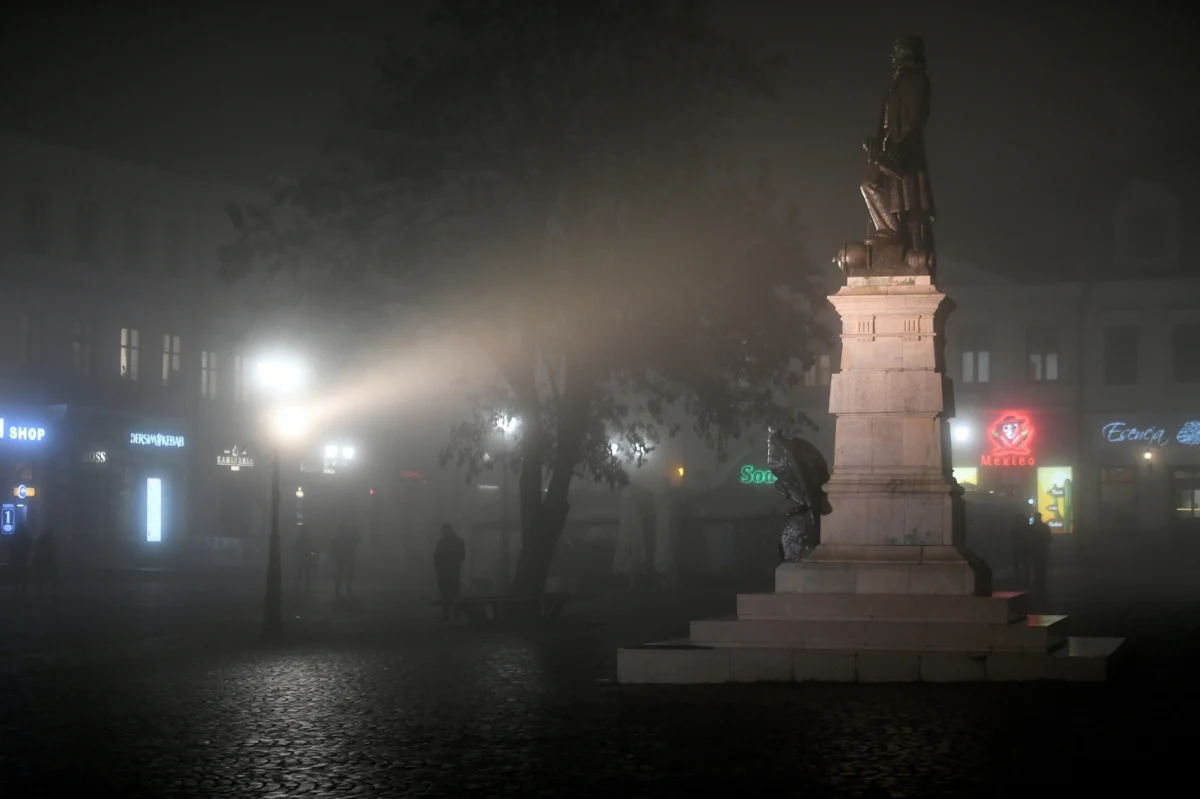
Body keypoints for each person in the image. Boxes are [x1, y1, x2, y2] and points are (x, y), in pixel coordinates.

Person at [433, 523, 466, 622]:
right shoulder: (458, 541)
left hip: (445, 572)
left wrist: (438, 564)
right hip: (453, 571)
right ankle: (456, 617)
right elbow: (462, 557)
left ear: (445, 530)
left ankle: (446, 617)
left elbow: (436, 555)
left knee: (445, 594)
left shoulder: (442, 541)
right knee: (454, 594)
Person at [331, 525, 361, 599]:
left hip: (346, 558)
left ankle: (342, 590)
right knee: (343, 574)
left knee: (346, 574)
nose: (344, 532)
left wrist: (354, 531)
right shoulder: (341, 539)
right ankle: (341, 590)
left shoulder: (342, 538)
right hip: (344, 559)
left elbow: (358, 538)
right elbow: (358, 538)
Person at [1030, 512, 1053, 596]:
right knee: (1041, 569)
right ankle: (1041, 586)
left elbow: (1028, 539)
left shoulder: (1031, 527)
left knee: (1037, 569)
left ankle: (1039, 586)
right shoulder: (1045, 526)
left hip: (1036, 551)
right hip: (1042, 550)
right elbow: (1050, 538)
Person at [7, 525, 33, 601]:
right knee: (23, 572)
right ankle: (22, 586)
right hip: (23, 556)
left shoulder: (15, 535)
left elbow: (9, 543)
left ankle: (17, 587)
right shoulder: (26, 534)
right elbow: (30, 543)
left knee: (16, 572)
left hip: (15, 556)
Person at [1008, 513, 1031, 587]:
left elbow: (1012, 537)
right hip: (1024, 548)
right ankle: (1026, 579)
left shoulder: (1015, 529)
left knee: (1018, 564)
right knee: (1025, 563)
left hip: (1018, 548)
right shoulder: (1026, 528)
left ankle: (1018, 578)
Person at [32, 527, 58, 592]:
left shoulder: (41, 538)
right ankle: (53, 586)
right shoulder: (51, 539)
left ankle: (39, 586)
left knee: (40, 573)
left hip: (42, 558)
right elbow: (54, 549)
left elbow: (36, 548)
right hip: (48, 558)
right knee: (52, 573)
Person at [293, 525, 316, 595]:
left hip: (302, 558)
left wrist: (311, 554)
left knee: (301, 574)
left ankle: (299, 588)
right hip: (305, 558)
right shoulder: (308, 539)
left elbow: (295, 548)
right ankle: (305, 588)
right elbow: (312, 549)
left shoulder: (299, 539)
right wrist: (312, 555)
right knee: (305, 574)